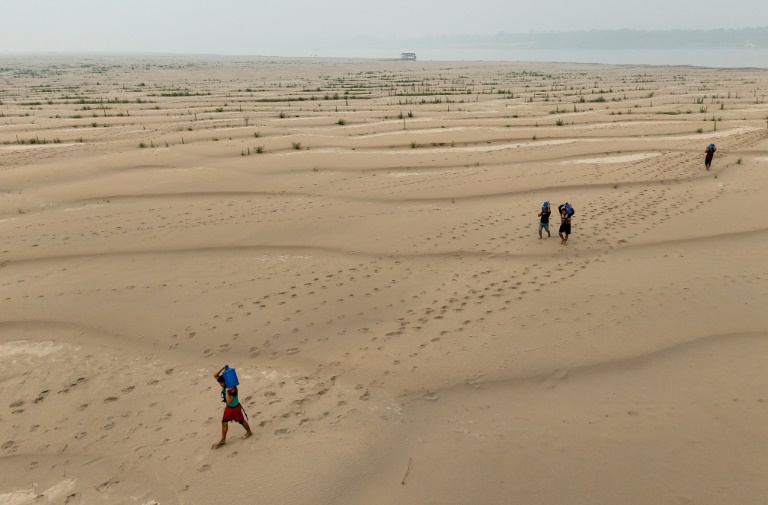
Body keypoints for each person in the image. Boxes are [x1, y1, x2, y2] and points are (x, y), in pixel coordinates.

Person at [212, 365, 252, 449]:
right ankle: (223, 439)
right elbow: (215, 376)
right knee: (225, 422)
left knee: (241, 421)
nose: (220, 384)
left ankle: (249, 432)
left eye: (221, 383)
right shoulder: (224, 384)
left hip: (234, 408)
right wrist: (221, 369)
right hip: (229, 408)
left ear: (225, 382)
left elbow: (229, 400)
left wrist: (227, 392)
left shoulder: (233, 389)